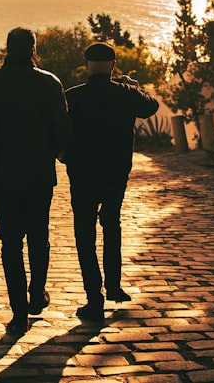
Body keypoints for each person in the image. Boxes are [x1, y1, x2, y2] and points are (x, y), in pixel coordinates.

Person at [0, 27, 71, 336]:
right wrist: (54, 152)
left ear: (7, 48)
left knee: (11, 244)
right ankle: (37, 292)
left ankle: (19, 313)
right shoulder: (49, 83)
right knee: (38, 235)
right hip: (40, 174)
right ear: (33, 49)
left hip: (4, 175)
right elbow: (61, 131)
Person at [62, 41, 159, 321]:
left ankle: (95, 297)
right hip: (116, 174)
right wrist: (134, 86)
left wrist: (65, 157)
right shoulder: (126, 94)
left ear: (86, 64)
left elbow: (59, 131)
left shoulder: (73, 96)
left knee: (85, 236)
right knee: (112, 226)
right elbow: (151, 106)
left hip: (82, 176)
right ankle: (114, 285)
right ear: (114, 65)